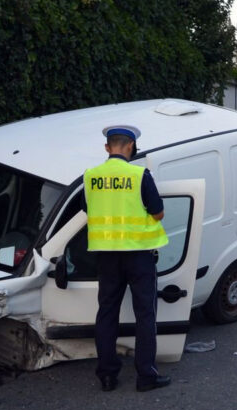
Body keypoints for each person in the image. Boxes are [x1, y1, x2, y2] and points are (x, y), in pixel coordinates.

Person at [83, 125, 171, 392]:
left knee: (107, 314)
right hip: (139, 255)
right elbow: (158, 213)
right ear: (131, 147)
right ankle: (146, 376)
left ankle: (107, 376)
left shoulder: (90, 177)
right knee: (145, 314)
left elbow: (88, 208)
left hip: (106, 256)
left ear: (107, 148)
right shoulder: (139, 175)